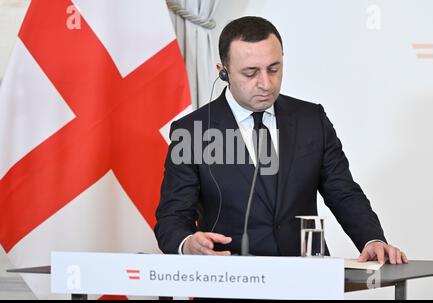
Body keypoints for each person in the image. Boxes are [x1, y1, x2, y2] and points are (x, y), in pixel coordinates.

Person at [155, 16, 408, 265]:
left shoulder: (312, 119)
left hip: (306, 280)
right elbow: (171, 217)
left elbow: (343, 191)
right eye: (250, 73)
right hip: (231, 286)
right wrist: (187, 243)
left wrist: (372, 239)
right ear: (224, 72)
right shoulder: (193, 131)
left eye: (274, 69)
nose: (266, 83)